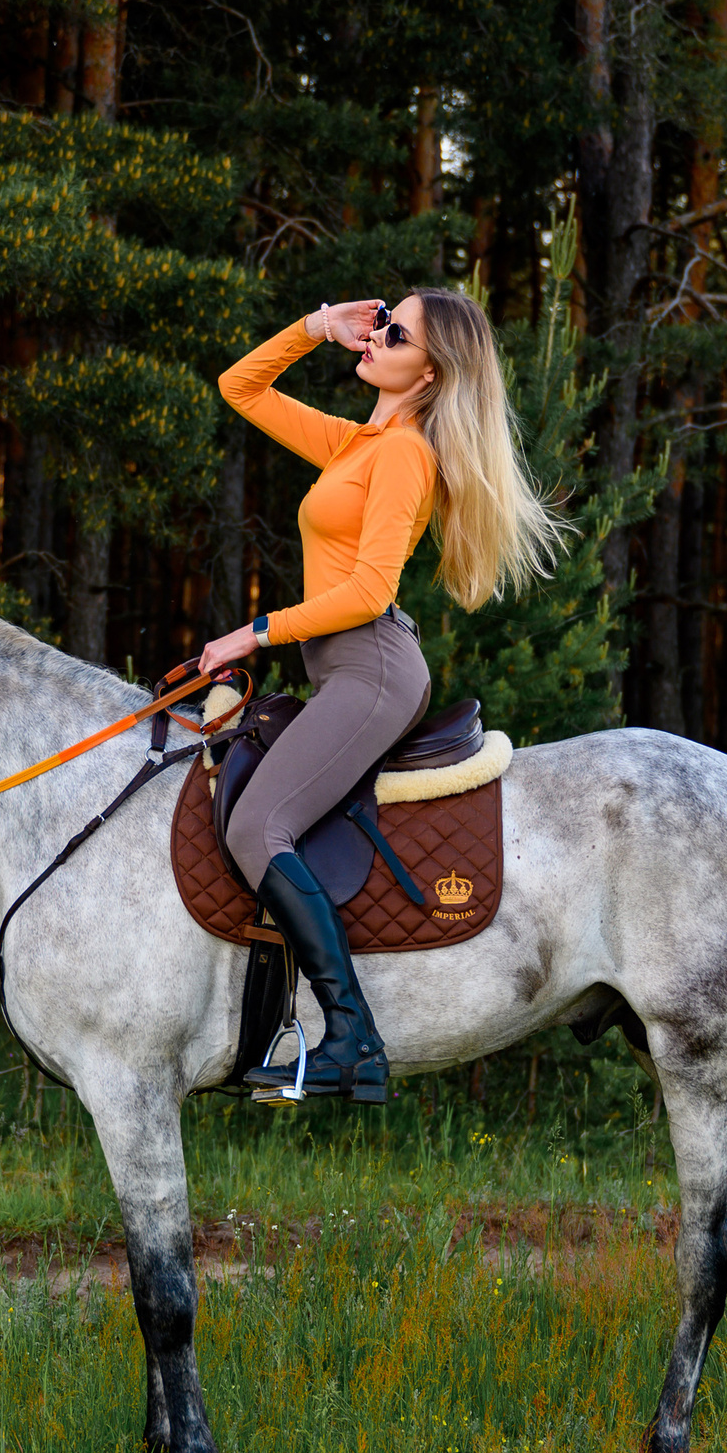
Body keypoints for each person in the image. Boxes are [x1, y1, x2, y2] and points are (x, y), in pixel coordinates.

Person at [200, 290, 568, 1101]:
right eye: (378, 322)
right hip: (343, 667)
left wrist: (253, 633)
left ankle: (353, 1039)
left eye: (393, 332)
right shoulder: (356, 443)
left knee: (261, 823)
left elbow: (369, 590)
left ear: (428, 371)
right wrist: (312, 326)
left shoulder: (404, 455)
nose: (375, 335)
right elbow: (239, 389)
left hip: (370, 668)